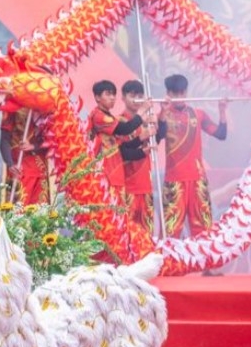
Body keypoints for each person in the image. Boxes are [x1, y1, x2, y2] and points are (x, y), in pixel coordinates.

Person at [160, 74, 226, 238]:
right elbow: (157, 136)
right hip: (174, 181)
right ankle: (168, 263)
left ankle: (204, 264)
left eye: (182, 93)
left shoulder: (199, 114)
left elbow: (220, 134)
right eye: (175, 94)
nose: (179, 97)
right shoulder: (163, 116)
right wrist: (162, 112)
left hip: (198, 180)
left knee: (204, 231)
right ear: (168, 93)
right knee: (170, 231)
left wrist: (222, 111)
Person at [117, 80, 164, 232]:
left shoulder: (146, 122)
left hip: (145, 186)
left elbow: (156, 139)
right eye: (132, 95)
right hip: (128, 187)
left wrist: (162, 115)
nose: (136, 99)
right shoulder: (120, 123)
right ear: (123, 97)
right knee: (126, 232)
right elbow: (121, 153)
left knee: (146, 233)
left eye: (139, 95)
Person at [88, 80, 145, 197]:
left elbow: (121, 147)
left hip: (115, 172)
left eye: (114, 94)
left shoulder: (110, 118)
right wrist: (142, 112)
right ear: (97, 97)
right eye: (108, 94)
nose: (112, 97)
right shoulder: (99, 116)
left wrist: (142, 140)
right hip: (106, 173)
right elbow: (125, 129)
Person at [0, 107, 50, 205]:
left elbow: (52, 140)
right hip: (18, 166)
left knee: (40, 212)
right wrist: (10, 164)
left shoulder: (46, 105)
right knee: (17, 210)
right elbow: (4, 140)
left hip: (40, 169)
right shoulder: (11, 106)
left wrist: (33, 146)